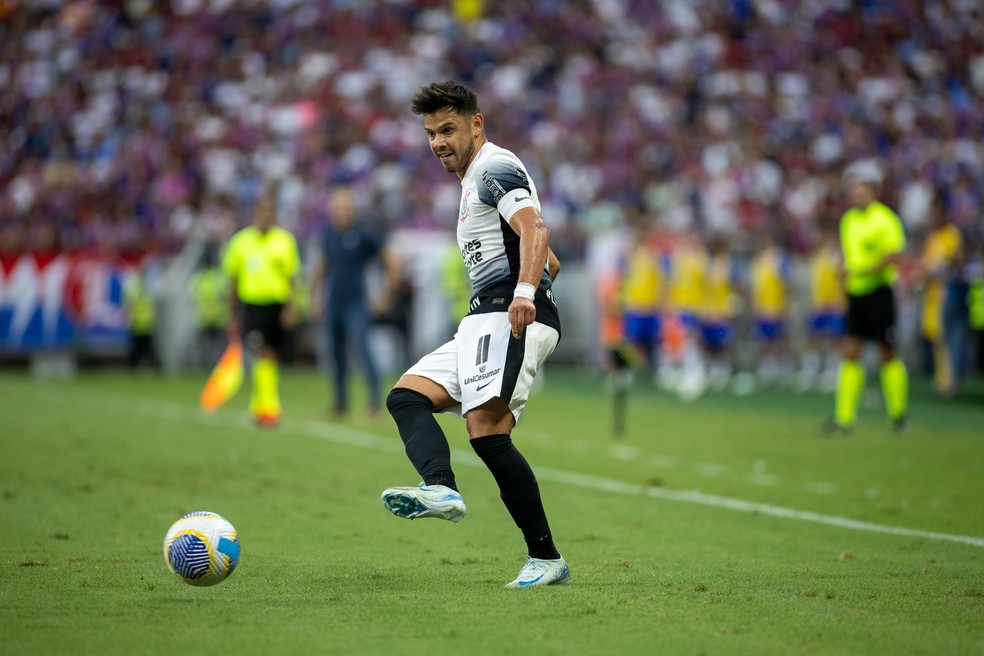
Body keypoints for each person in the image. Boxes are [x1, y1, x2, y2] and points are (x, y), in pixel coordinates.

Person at [379, 81, 568, 588]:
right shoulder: (471, 181)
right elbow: (550, 256)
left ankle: (546, 558)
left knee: (486, 432)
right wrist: (536, 275)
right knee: (406, 396)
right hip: (484, 318)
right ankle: (440, 488)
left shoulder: (493, 167)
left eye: (448, 129)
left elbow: (537, 231)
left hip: (511, 313)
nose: (438, 141)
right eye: (430, 133)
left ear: (476, 124)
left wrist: (527, 294)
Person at [826, 162, 908, 435]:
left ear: (873, 192)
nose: (857, 195)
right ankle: (844, 418)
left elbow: (893, 256)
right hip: (856, 294)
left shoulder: (885, 219)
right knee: (850, 352)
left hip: (879, 293)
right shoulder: (848, 220)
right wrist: (844, 273)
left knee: (887, 352)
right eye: (853, 190)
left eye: (861, 190)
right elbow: (849, 257)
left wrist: (860, 269)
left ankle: (898, 415)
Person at [310, 185, 401, 418]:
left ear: (353, 209)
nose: (340, 212)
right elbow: (323, 265)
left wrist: (386, 294)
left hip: (356, 303)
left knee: (364, 353)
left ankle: (374, 404)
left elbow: (391, 260)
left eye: (344, 207)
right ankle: (340, 403)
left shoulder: (363, 233)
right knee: (335, 354)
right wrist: (314, 296)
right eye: (336, 207)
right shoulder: (329, 233)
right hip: (334, 302)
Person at [222, 190, 301, 427]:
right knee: (261, 352)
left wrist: (290, 308)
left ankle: (261, 407)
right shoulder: (241, 241)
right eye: (262, 211)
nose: (266, 216)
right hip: (253, 305)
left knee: (272, 354)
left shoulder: (285, 241)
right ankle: (268, 407)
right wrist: (232, 314)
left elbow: (292, 279)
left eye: (270, 212)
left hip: (276, 305)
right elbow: (232, 281)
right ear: (255, 214)